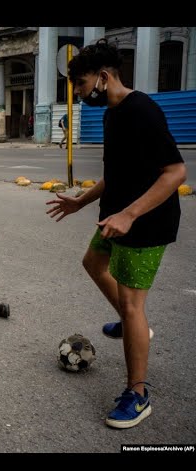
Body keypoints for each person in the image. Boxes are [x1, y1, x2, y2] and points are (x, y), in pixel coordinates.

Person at [45, 39, 187, 429]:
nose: (77, 92)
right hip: (116, 216)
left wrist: (129, 213)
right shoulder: (112, 113)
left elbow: (175, 173)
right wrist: (81, 201)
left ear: (104, 77)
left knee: (132, 304)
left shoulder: (142, 110)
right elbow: (118, 173)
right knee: (93, 262)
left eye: (81, 83)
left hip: (146, 221)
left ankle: (138, 395)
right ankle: (130, 323)